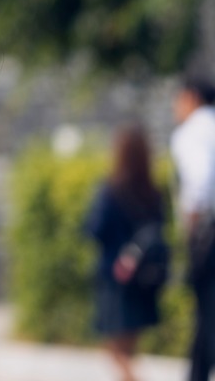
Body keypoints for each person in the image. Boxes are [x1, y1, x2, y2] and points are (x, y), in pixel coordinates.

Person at [84, 124, 168, 381]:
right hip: (144, 278)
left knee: (114, 349)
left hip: (116, 277)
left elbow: (94, 228)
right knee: (129, 348)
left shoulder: (111, 190)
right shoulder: (153, 192)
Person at [171, 67, 215, 381]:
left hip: (208, 232)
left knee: (207, 311)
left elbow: (198, 185)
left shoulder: (192, 133)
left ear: (191, 97)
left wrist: (190, 228)